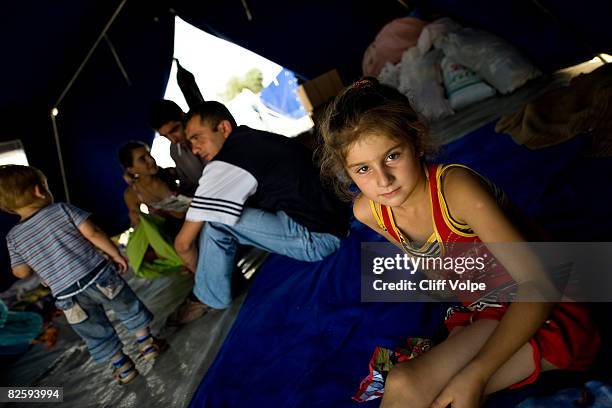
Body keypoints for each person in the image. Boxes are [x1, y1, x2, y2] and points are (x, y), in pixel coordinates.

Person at [318, 78, 599, 407]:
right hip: (486, 306)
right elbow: (441, 275)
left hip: (548, 305)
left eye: (392, 156)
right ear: (346, 173)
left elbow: (539, 285)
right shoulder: (370, 211)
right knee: (405, 381)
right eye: (363, 169)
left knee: (452, 395)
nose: (383, 180)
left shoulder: (457, 190)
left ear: (417, 140)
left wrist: (475, 373)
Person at [171, 101, 349, 324]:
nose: (194, 148)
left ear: (224, 128)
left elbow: (183, 244)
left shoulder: (227, 161)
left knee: (216, 223)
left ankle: (207, 296)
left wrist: (201, 272)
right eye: (191, 141)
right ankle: (214, 280)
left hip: (318, 238)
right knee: (227, 211)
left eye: (198, 137)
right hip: (334, 217)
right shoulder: (250, 139)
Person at [0, 165, 165, 384]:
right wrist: (114, 253)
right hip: (97, 275)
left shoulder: (14, 238)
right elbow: (93, 233)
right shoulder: (61, 209)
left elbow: (21, 272)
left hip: (67, 295)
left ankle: (122, 367)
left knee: (93, 329)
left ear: (10, 210)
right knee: (126, 306)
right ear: (39, 190)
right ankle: (146, 344)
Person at [118, 141, 189, 278]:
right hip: (170, 232)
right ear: (131, 169)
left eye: (149, 154)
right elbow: (139, 223)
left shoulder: (170, 175)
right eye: (142, 159)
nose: (150, 160)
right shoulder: (133, 193)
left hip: (192, 221)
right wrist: (135, 216)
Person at [149, 99, 205, 196]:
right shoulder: (174, 151)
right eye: (165, 136)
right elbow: (188, 184)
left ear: (183, 116)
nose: (173, 140)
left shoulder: (208, 132)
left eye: (174, 130)